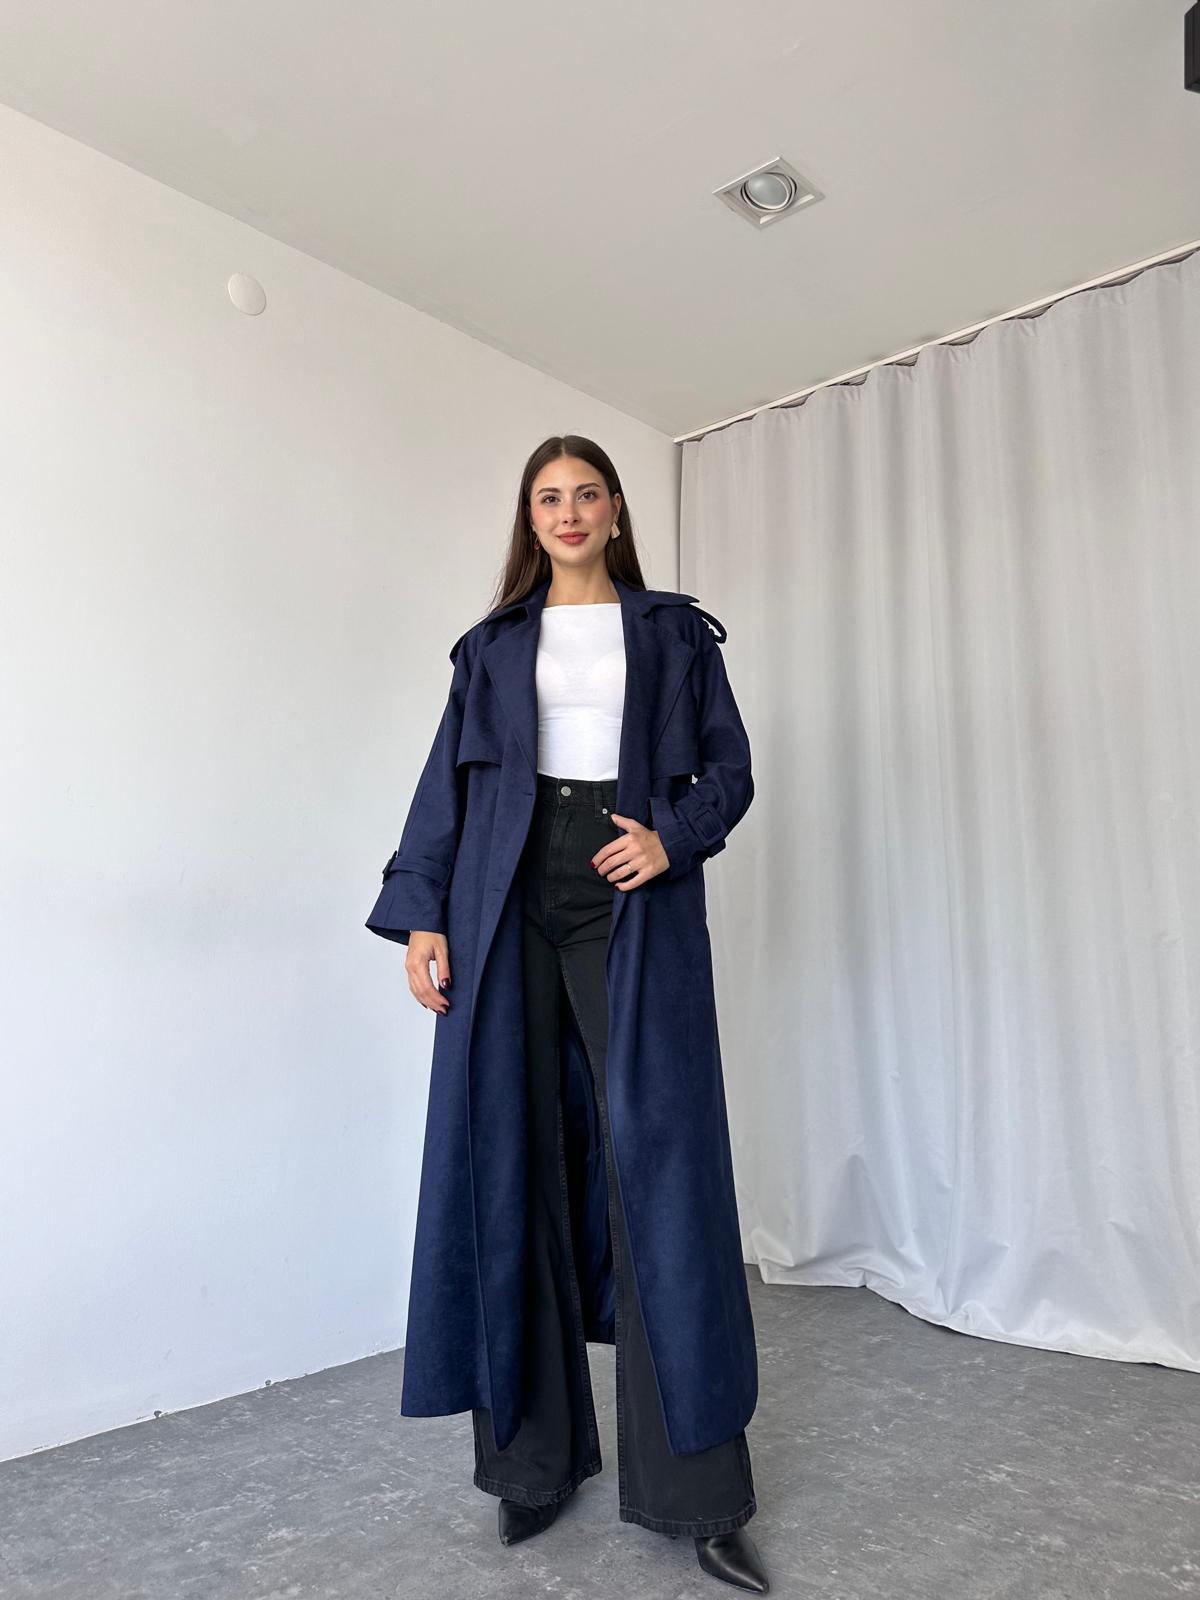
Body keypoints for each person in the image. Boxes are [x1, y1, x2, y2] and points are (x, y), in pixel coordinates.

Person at [367, 435, 768, 1593]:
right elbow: (446, 786)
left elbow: (730, 771)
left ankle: (701, 1496)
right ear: (530, 517)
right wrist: (424, 911)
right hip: (500, 891)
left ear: (616, 508)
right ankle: (533, 1465)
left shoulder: (674, 634)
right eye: (549, 497)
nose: (569, 510)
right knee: (512, 1155)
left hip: (627, 888)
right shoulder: (492, 646)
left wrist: (673, 836)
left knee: (663, 1166)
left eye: (587, 491)